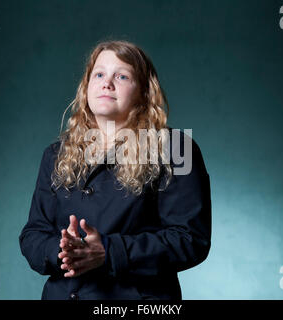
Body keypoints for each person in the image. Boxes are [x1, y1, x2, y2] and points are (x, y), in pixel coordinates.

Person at [19, 40, 212, 300]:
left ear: (144, 92)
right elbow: (33, 234)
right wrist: (65, 251)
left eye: (121, 76)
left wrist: (109, 251)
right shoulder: (56, 154)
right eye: (99, 74)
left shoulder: (176, 148)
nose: (107, 83)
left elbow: (190, 239)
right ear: (86, 87)